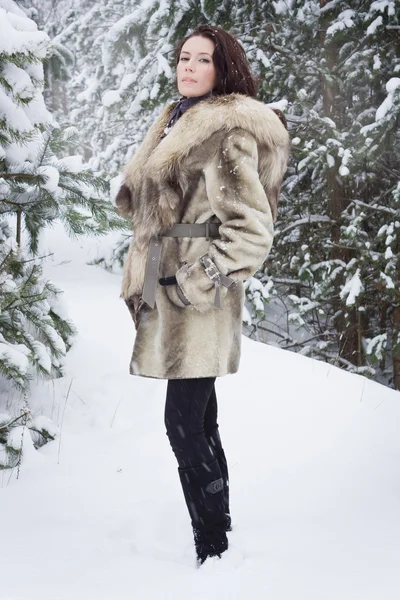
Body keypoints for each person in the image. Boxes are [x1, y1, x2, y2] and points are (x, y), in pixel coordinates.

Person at [115, 24, 290, 567]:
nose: (188, 67)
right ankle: (221, 532)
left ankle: (212, 546)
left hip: (195, 297)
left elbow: (252, 230)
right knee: (200, 418)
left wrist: (197, 280)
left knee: (184, 422)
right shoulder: (176, 119)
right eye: (183, 58)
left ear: (224, 68)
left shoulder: (223, 131)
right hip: (168, 288)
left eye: (202, 60)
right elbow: (144, 202)